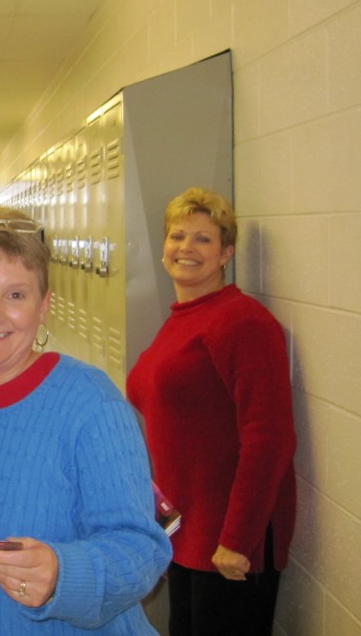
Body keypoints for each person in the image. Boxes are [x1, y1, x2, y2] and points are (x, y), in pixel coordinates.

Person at [0, 206, 171, 635]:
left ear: (43, 306)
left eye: (16, 295)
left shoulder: (90, 403)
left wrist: (63, 574)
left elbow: (143, 551)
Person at [126, 188, 296, 636]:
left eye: (203, 239)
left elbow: (270, 439)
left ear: (226, 253)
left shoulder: (243, 322)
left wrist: (237, 540)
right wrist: (164, 529)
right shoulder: (184, 318)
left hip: (229, 541)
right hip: (187, 532)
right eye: (177, 235)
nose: (186, 247)